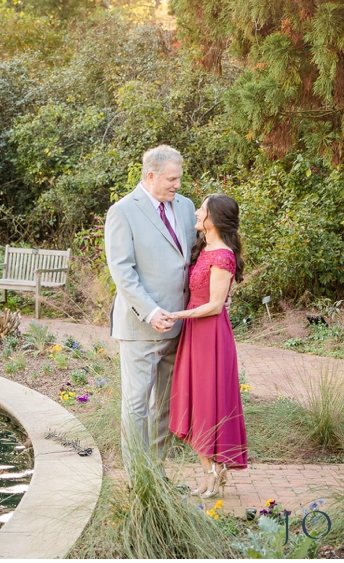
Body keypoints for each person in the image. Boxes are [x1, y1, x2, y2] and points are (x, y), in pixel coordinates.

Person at [104, 144, 197, 476]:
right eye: (171, 179)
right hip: (141, 327)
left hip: (179, 324)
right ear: (151, 176)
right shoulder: (123, 211)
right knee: (137, 405)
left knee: (166, 405)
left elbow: (193, 260)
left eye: (179, 179)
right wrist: (150, 311)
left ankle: (155, 474)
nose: (177, 185)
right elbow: (122, 271)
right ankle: (136, 479)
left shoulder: (185, 207)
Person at [168, 193, 248, 497]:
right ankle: (209, 474)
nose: (197, 212)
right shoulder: (205, 249)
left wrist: (178, 314)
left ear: (214, 218)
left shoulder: (223, 255)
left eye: (202, 209)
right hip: (195, 333)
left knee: (207, 402)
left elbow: (215, 305)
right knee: (198, 401)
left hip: (210, 335)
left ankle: (212, 474)